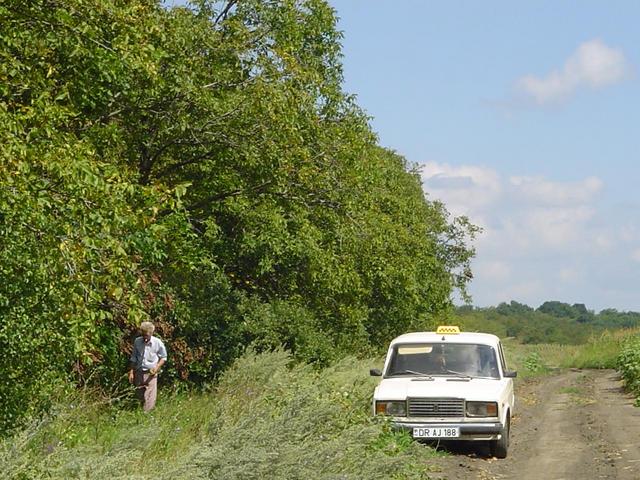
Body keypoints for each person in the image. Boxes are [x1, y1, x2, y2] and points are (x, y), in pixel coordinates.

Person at [128, 321, 167, 411]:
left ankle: (147, 415)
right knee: (140, 396)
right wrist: (131, 372)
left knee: (150, 398)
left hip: (151, 373)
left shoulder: (158, 343)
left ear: (151, 333)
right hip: (139, 372)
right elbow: (133, 357)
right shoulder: (137, 341)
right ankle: (139, 412)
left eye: (147, 336)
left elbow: (164, 357)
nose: (145, 338)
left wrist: (157, 367)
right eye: (144, 335)